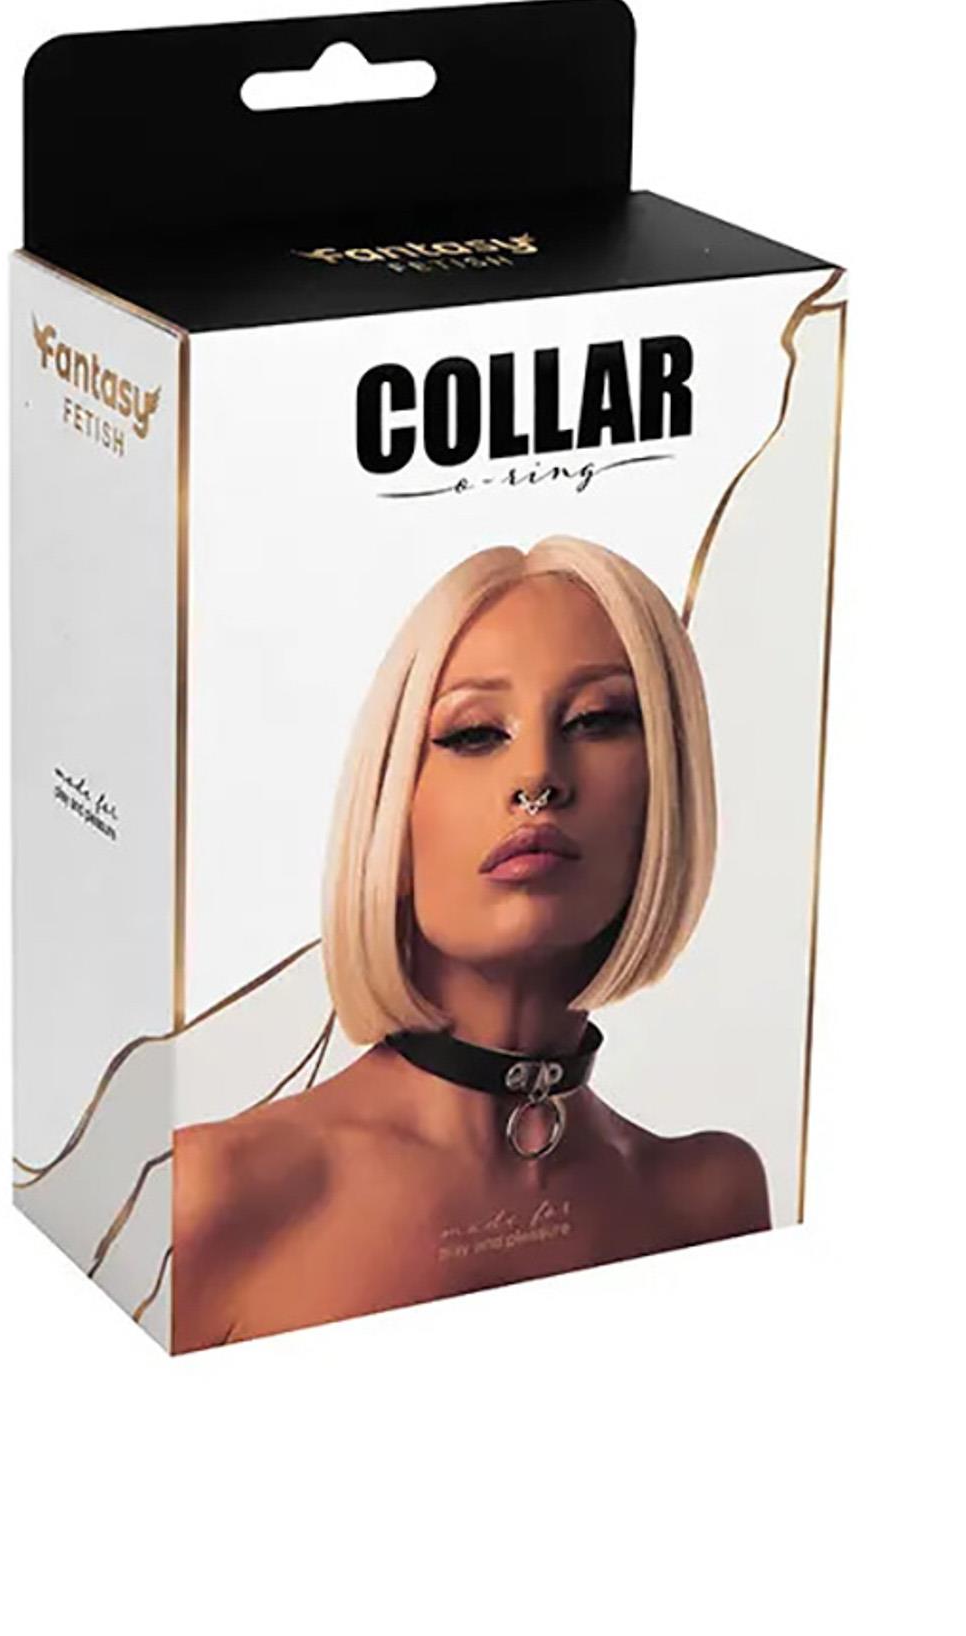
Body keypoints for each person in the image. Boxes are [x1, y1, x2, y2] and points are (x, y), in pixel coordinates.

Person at [172, 536, 769, 1351]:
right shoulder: (217, 1196)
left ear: (667, 789)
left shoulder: (709, 1206)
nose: (537, 779)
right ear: (392, 808)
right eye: (475, 733)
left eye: (597, 720)